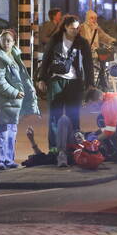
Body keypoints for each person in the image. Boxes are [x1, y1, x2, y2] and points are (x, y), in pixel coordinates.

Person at [36, 14, 94, 167]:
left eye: (77, 28)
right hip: (56, 81)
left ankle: (73, 149)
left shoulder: (82, 43)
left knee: (73, 116)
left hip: (74, 83)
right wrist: (42, 78)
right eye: (72, 28)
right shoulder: (55, 40)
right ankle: (55, 149)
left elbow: (88, 64)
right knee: (54, 117)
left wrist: (90, 83)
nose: (75, 31)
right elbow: (46, 59)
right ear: (65, 27)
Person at [0, 30, 39, 169]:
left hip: (12, 104)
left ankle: (8, 160)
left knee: (11, 132)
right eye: (3, 40)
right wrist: (15, 93)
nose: (6, 43)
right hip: (1, 102)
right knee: (2, 133)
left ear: (14, 42)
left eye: (9, 40)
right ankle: (0, 161)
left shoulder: (14, 56)